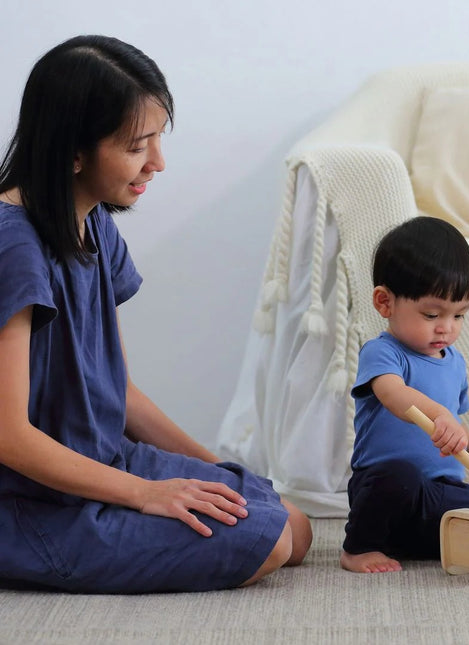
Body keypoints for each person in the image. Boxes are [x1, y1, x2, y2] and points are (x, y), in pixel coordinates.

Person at [0, 35, 311, 593]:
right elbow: (9, 437)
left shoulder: (94, 223)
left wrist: (217, 472)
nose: (158, 163)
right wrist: (148, 494)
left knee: (293, 523)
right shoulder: (13, 248)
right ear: (73, 150)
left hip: (105, 462)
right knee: (268, 540)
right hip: (32, 503)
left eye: (158, 141)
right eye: (139, 145)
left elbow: (118, 392)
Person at [340, 216, 469, 573]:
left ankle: (423, 541)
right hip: (387, 488)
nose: (447, 328)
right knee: (397, 477)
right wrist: (439, 413)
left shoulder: (454, 362)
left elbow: (456, 427)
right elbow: (394, 394)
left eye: (459, 315)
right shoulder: (383, 353)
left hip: (438, 489)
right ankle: (360, 547)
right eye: (432, 313)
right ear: (385, 302)